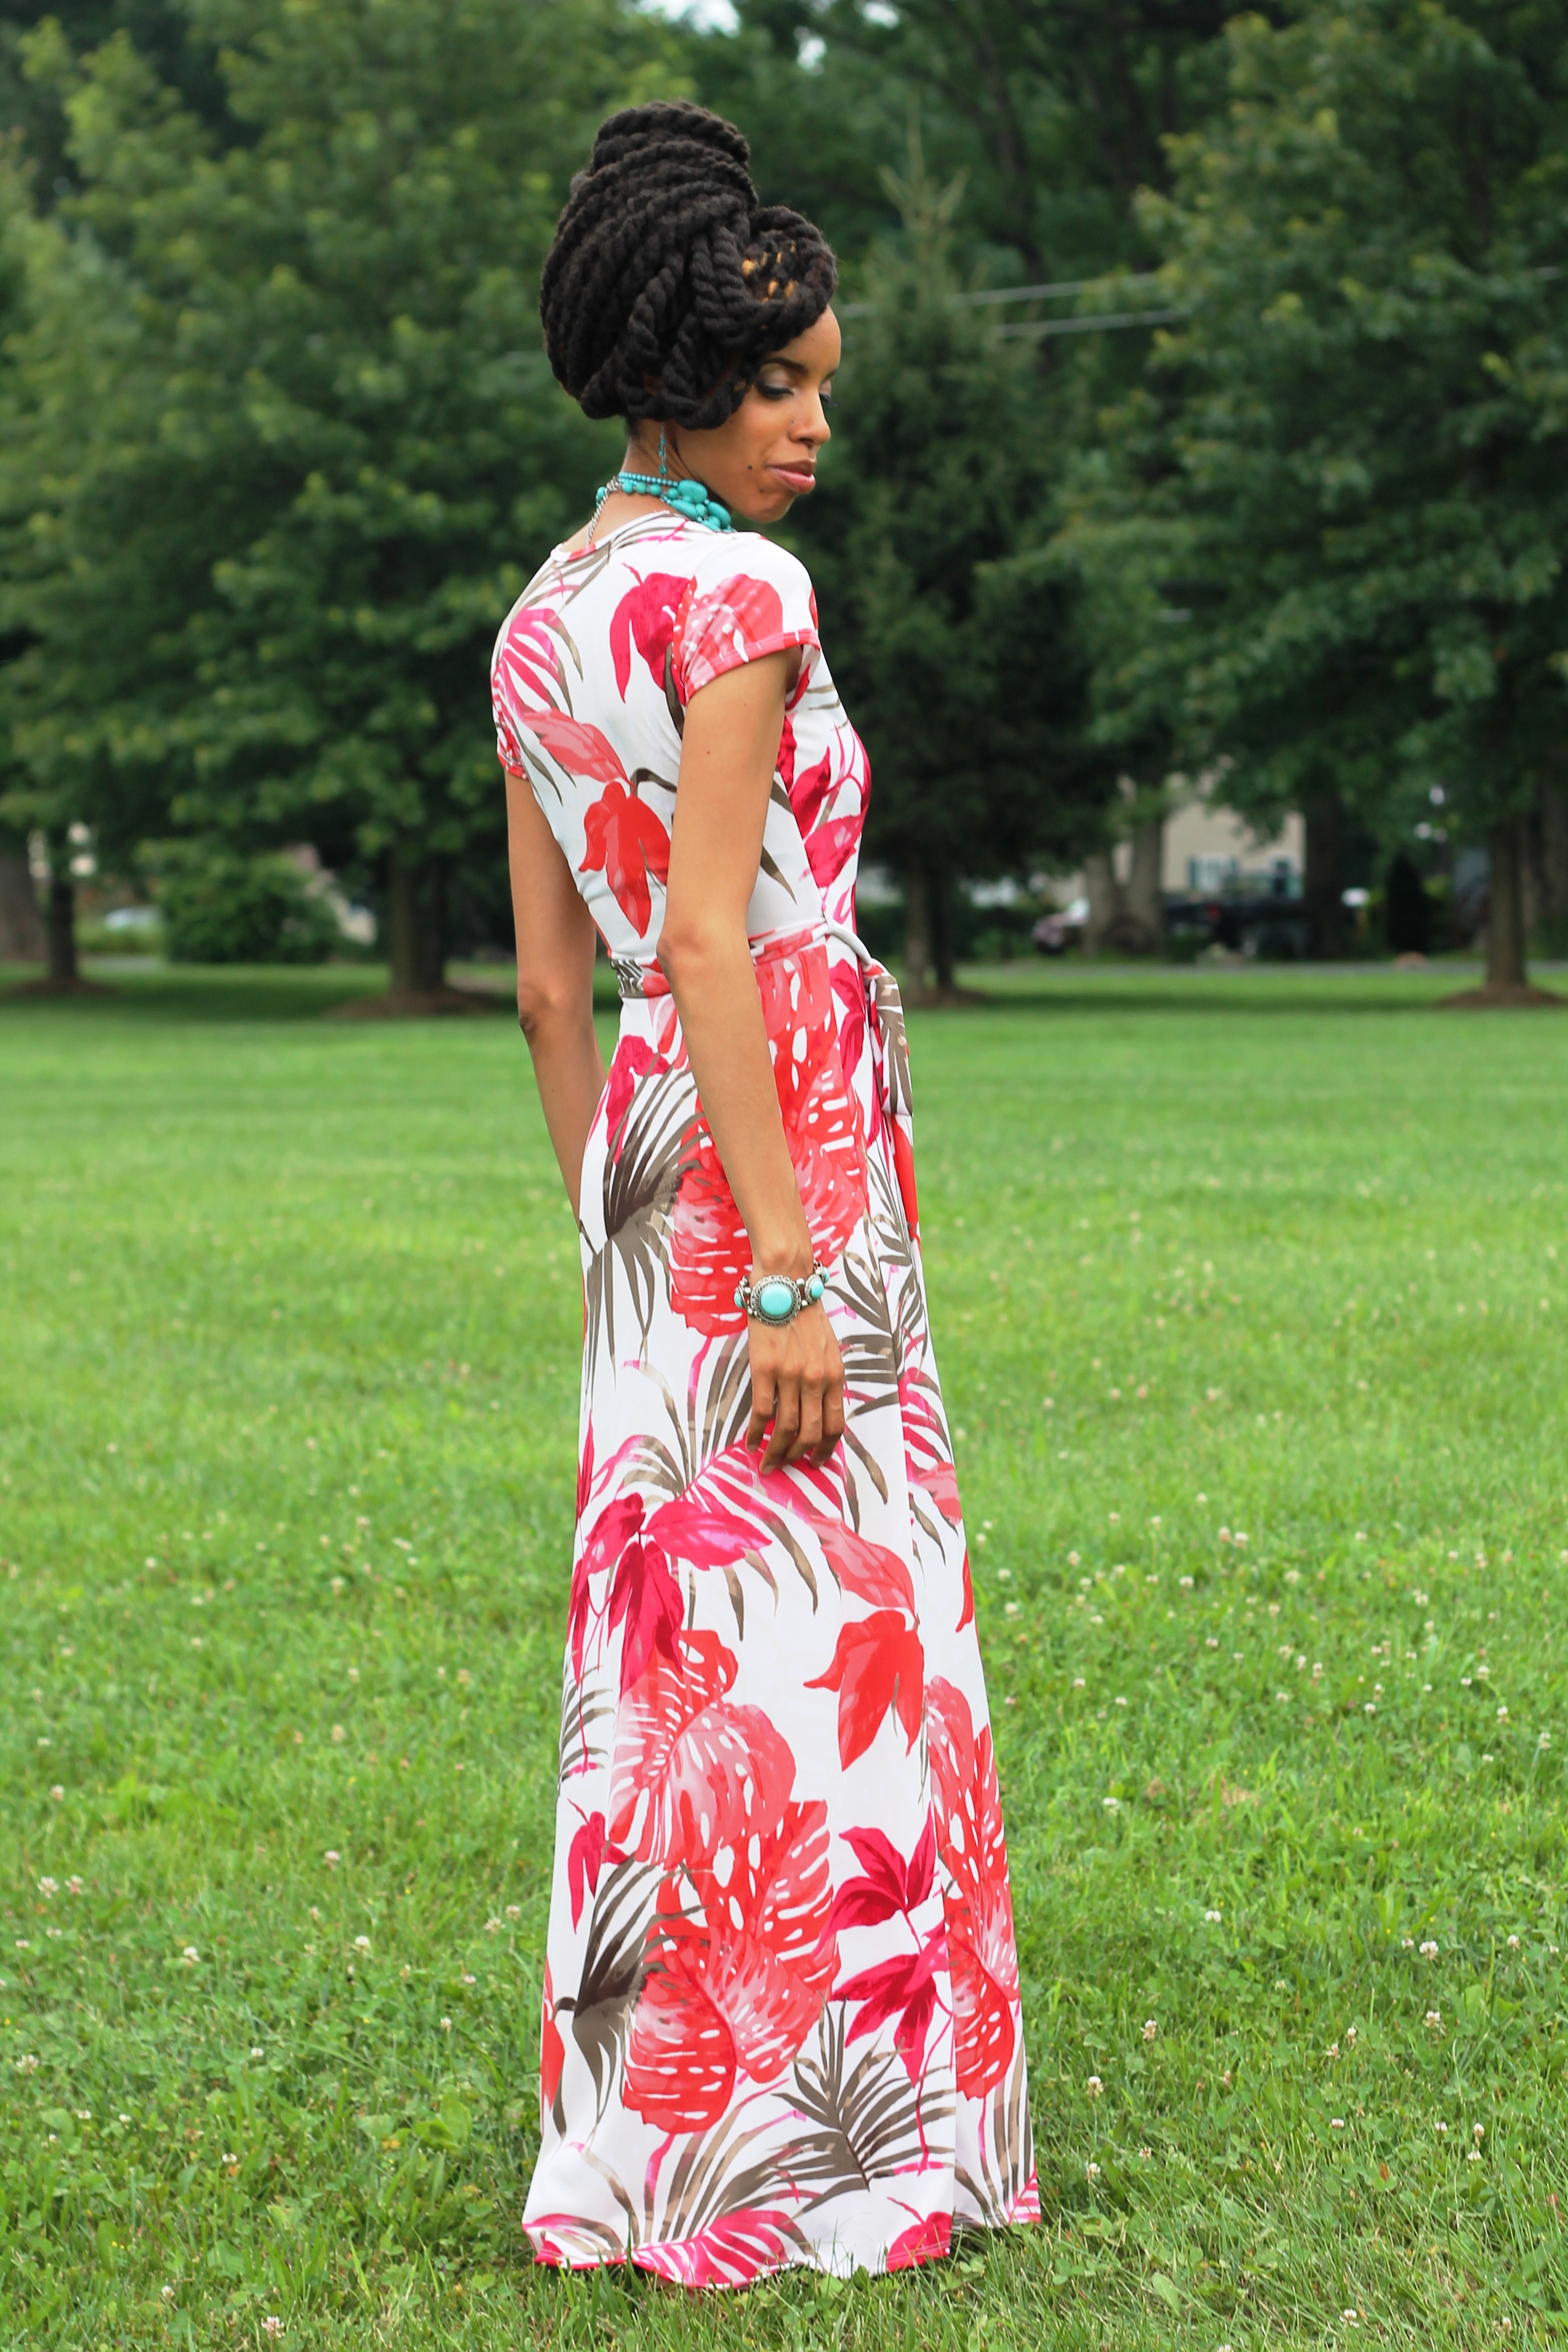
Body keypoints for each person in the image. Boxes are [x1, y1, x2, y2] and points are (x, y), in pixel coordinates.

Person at [492, 97, 1036, 2288]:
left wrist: (628, 1249)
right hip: (775, 1140)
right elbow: (716, 938)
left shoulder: (542, 616)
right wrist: (783, 1270)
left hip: (649, 1163)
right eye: (785, 383)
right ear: (681, 373)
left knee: (679, 1672)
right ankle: (851, 2164)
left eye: (821, 382)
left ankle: (664, 2162)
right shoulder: (739, 588)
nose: (817, 422)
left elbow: (557, 986)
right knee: (835, 1645)